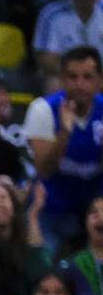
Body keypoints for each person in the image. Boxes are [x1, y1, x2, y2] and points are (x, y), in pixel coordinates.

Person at [24, 47, 103, 251]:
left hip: (93, 210)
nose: (80, 84)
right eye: (72, 77)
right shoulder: (42, 110)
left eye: (87, 77)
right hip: (51, 210)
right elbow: (44, 169)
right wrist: (65, 133)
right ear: (62, 79)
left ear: (99, 81)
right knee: (46, 272)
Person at [34, 0, 103, 81]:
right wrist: (81, 76)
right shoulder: (51, 14)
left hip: (100, 78)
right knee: (53, 82)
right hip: (67, 77)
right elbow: (46, 58)